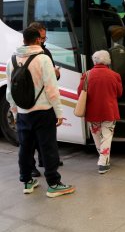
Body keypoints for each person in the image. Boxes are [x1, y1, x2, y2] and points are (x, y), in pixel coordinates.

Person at [6, 27, 75, 197]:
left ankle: (27, 181)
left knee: (25, 148)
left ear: (24, 40)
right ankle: (53, 184)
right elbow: (52, 90)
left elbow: (10, 92)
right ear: (37, 40)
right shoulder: (43, 59)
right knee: (48, 148)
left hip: (23, 112)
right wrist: (59, 113)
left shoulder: (12, 60)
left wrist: (15, 113)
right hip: (43, 112)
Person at [77, 50, 122, 174]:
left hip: (92, 112)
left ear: (94, 60)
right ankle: (103, 162)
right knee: (107, 136)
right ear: (107, 61)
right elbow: (119, 93)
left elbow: (79, 92)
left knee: (97, 136)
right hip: (109, 111)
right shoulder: (115, 75)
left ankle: (103, 158)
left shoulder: (87, 75)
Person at [28, 22, 63, 178]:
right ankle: (34, 168)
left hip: (31, 103)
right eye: (42, 37)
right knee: (34, 139)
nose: (43, 40)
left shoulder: (20, 54)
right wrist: (58, 111)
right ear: (35, 38)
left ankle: (42, 161)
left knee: (38, 138)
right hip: (38, 103)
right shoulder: (42, 55)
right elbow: (51, 84)